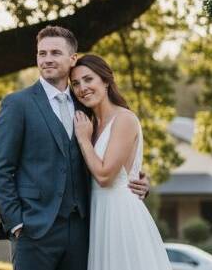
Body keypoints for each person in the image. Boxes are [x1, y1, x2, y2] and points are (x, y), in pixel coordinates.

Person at [0, 26, 150, 270]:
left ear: (72, 58)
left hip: (83, 230)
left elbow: (112, 152)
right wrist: (16, 223)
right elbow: (1, 169)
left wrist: (136, 180)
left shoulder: (87, 103)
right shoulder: (17, 104)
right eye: (42, 53)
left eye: (55, 52)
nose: (47, 59)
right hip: (34, 230)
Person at [71, 53, 171, 270]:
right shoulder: (90, 124)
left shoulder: (124, 119)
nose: (82, 88)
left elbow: (105, 176)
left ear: (106, 81)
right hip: (97, 215)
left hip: (120, 215)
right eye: (76, 83)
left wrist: (83, 140)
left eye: (89, 79)